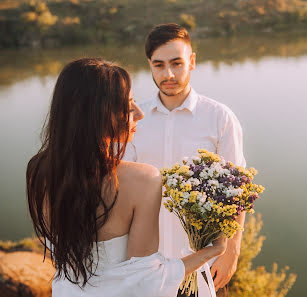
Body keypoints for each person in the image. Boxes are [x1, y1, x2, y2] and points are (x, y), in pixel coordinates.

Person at [26, 58, 227, 297]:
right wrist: (212, 250)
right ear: (95, 113)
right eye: (128, 105)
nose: (139, 113)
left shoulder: (38, 170)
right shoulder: (143, 180)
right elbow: (146, 282)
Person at [126, 23, 246, 297]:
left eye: (176, 63)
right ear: (150, 65)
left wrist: (231, 252)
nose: (168, 74)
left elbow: (237, 192)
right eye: (159, 65)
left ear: (192, 61)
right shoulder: (133, 118)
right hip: (147, 266)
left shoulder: (219, 118)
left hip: (203, 265)